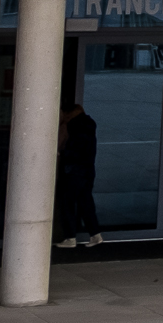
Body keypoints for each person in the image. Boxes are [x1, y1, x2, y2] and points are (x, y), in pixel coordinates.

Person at [54, 97, 100, 249]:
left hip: (73, 170)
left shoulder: (71, 126)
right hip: (88, 170)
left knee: (68, 203)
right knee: (86, 201)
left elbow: (68, 149)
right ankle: (95, 234)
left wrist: (63, 154)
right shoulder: (89, 125)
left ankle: (70, 237)